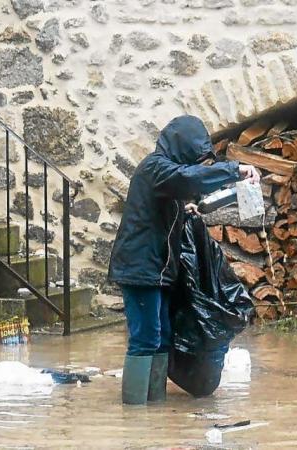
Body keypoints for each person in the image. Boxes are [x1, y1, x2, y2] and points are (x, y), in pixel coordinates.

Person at [108, 115, 259, 405]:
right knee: (145, 339)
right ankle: (135, 411)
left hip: (160, 270)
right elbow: (187, 178)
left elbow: (176, 193)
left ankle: (155, 405)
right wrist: (235, 170)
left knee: (162, 337)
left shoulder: (168, 179)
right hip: (140, 270)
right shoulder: (156, 168)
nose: (197, 164)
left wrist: (187, 211)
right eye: (195, 156)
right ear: (182, 147)